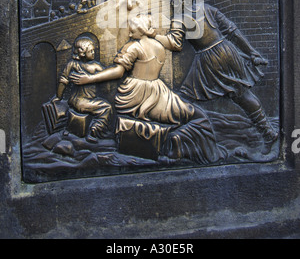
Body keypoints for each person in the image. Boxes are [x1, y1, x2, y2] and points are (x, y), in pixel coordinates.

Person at [70, 14, 227, 165]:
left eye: (132, 30)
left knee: (192, 116)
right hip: (157, 90)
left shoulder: (133, 47)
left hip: (135, 95)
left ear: (142, 30)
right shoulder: (159, 46)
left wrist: (89, 79)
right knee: (197, 116)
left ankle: (174, 143)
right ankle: (186, 145)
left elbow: (118, 71)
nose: (129, 33)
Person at [169, 0, 278, 153]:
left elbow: (175, 45)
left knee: (185, 97)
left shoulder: (181, 18)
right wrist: (251, 52)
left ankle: (191, 138)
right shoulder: (208, 9)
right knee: (241, 95)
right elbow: (233, 31)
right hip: (227, 51)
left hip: (210, 59)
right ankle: (268, 132)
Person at [52, 36, 114, 142]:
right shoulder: (95, 67)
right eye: (91, 51)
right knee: (106, 108)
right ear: (83, 53)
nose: (94, 52)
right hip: (85, 102)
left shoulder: (71, 64)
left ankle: (69, 129)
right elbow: (107, 82)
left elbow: (63, 81)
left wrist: (58, 97)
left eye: (94, 50)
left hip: (73, 101)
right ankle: (94, 131)